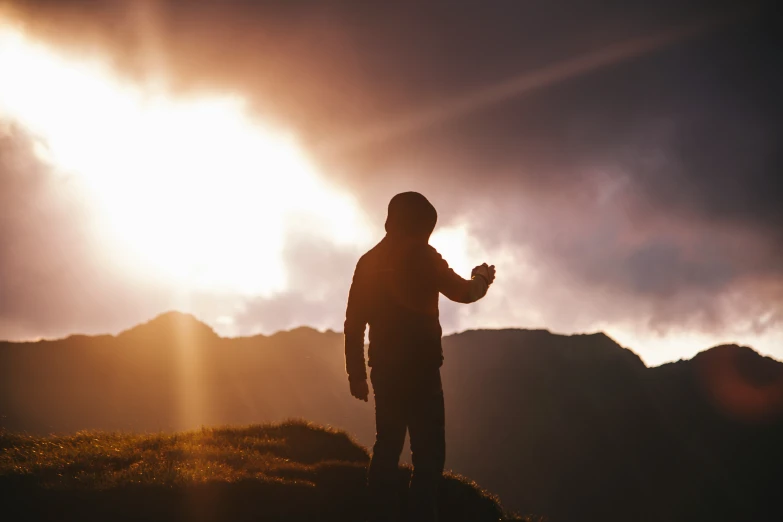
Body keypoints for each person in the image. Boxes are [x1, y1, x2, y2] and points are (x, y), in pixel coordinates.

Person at [344, 192, 496, 522]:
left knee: (387, 445)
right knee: (428, 455)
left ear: (390, 220)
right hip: (423, 371)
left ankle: (377, 513)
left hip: (383, 369)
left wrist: (356, 374)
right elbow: (465, 292)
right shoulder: (424, 257)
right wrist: (483, 277)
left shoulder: (367, 262)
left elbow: (353, 324)